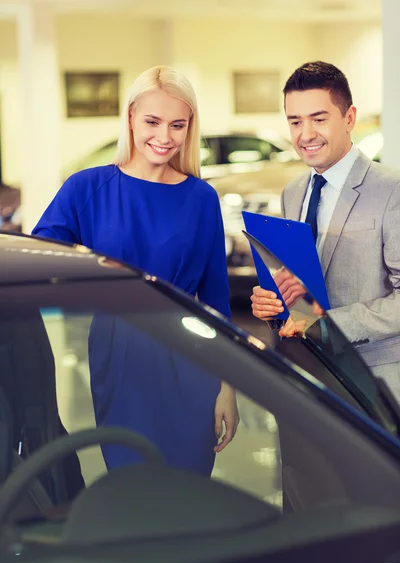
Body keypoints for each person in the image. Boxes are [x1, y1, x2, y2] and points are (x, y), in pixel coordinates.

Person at [32, 65, 239, 475]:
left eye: (177, 125)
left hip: (191, 358)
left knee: (187, 493)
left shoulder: (201, 198)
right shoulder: (86, 188)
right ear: (129, 118)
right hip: (119, 355)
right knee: (132, 485)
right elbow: (40, 259)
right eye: (152, 121)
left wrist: (227, 387)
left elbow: (216, 301)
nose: (164, 137)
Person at [251, 61, 400, 402]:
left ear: (349, 119)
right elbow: (303, 292)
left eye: (319, 119)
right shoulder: (293, 192)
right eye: (295, 121)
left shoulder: (393, 191)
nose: (306, 134)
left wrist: (328, 326)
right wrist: (275, 304)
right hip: (307, 377)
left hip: (375, 383)